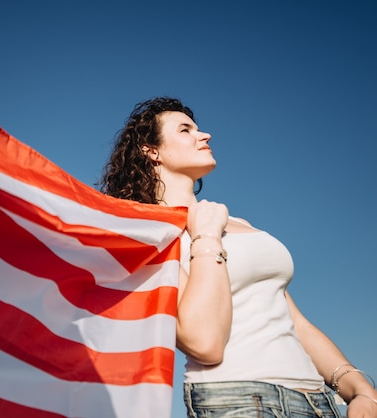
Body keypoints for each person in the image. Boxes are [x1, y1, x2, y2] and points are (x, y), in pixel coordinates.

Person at [100, 97, 377, 417]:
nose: (204, 136)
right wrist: (207, 236)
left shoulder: (238, 223)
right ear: (152, 151)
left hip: (319, 402)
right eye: (186, 130)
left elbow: (294, 322)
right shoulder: (150, 230)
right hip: (240, 398)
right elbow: (204, 342)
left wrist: (358, 388)